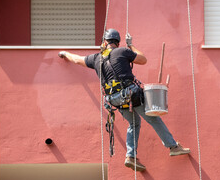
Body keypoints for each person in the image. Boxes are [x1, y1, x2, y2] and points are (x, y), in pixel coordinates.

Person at [58, 28, 190, 172]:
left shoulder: (96, 58)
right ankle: (173, 146)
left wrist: (64, 53)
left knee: (134, 123)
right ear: (117, 42)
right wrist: (131, 45)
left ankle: (130, 156)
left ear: (104, 42)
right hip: (130, 95)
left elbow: (77, 59)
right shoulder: (122, 51)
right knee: (153, 117)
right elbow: (143, 59)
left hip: (114, 100)